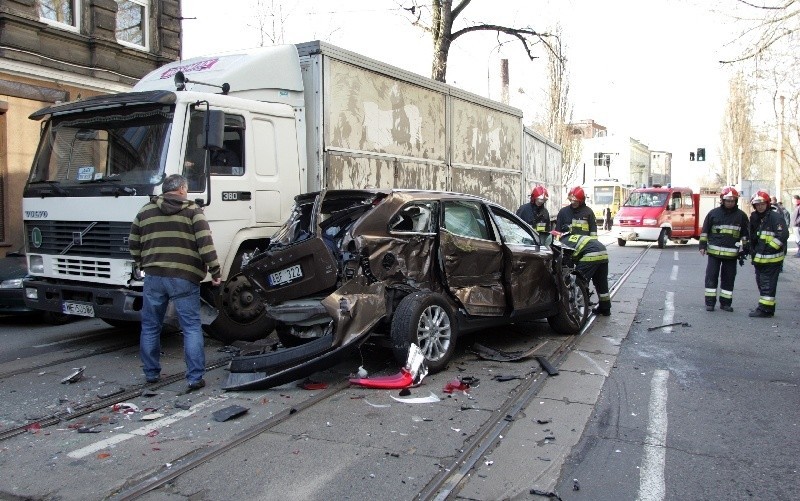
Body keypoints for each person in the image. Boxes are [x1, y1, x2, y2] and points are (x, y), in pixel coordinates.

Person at [129, 174, 222, 391]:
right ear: (181, 189)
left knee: (151, 327)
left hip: (154, 276)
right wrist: (216, 271)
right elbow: (205, 245)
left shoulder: (145, 211)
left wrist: (144, 263)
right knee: (190, 327)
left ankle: (151, 374)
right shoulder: (193, 211)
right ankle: (194, 378)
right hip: (184, 277)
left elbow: (133, 244)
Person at [698, 186, 749, 312]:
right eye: (728, 200)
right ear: (722, 200)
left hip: (731, 255)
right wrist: (702, 246)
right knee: (711, 277)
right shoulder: (713, 214)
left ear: (736, 201)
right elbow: (705, 232)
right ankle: (710, 303)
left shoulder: (741, 216)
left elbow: (745, 234)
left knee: (729, 279)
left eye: (732, 200)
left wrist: (745, 248)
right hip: (714, 254)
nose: (730, 203)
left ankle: (725, 303)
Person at [747, 191, 789, 318]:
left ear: (767, 204)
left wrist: (770, 248)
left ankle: (764, 310)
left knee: (767, 284)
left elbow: (783, 235)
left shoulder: (775, 217)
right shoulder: (755, 218)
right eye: (757, 204)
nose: (760, 206)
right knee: (762, 283)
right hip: (759, 259)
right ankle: (768, 308)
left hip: (771, 259)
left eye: (762, 204)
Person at [558, 232, 611, 316]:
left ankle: (584, 306)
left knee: (579, 282)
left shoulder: (562, 243)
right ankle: (605, 309)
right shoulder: (574, 237)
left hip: (590, 254)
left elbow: (566, 262)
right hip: (603, 253)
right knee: (601, 283)